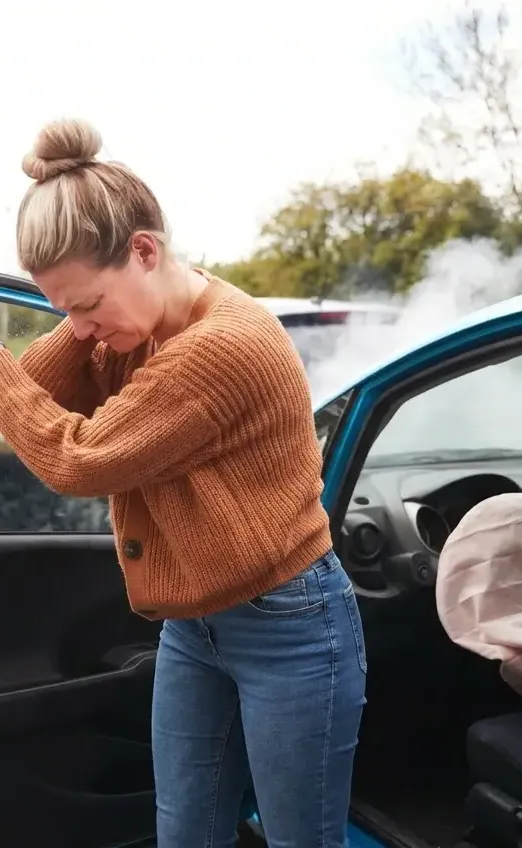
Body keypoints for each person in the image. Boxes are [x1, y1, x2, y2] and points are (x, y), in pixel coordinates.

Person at [3, 118, 367, 847]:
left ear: (145, 250)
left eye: (86, 305)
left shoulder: (223, 347)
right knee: (184, 832)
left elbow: (78, 459)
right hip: (194, 627)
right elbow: (30, 393)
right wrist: (79, 321)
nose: (79, 329)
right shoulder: (133, 328)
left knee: (300, 839)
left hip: (289, 626)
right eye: (64, 310)